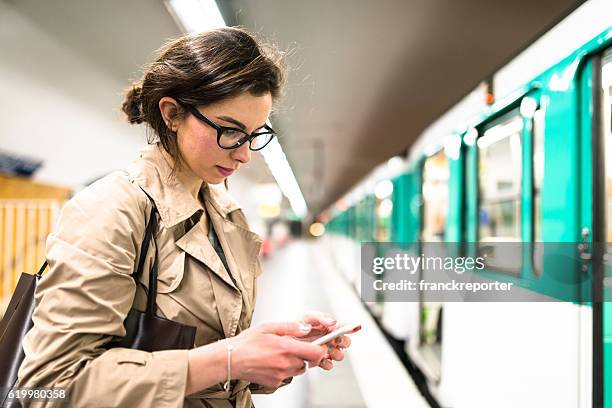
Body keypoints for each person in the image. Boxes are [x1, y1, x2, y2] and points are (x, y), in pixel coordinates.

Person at [16, 27, 355, 408]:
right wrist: (229, 358)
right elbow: (47, 387)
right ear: (172, 113)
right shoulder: (112, 211)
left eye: (255, 135)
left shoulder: (226, 214)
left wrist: (272, 352)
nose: (244, 154)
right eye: (230, 132)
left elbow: (217, 367)